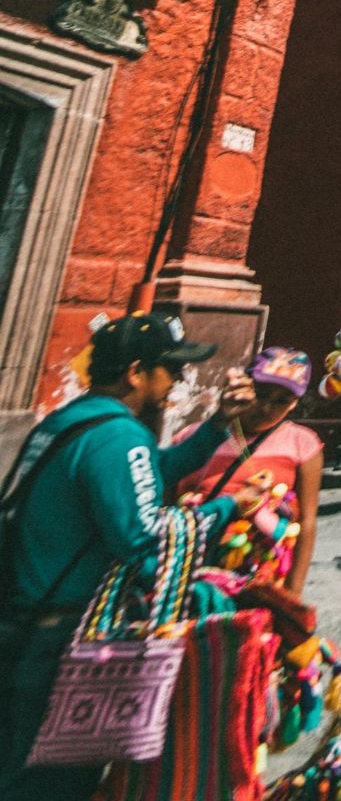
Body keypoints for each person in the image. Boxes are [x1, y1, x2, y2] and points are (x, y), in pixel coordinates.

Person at [1, 313, 258, 800]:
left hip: (26, 617)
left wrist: (219, 424)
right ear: (137, 371)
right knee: (50, 784)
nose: (178, 381)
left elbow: (150, 477)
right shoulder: (120, 438)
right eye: (171, 370)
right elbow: (146, 543)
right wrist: (225, 509)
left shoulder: (74, 420)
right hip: (65, 639)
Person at [173, 347, 324, 595]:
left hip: (263, 576)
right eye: (261, 394)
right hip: (193, 572)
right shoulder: (194, 437)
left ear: (295, 403)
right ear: (245, 386)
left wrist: (293, 592)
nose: (266, 408)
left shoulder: (302, 444)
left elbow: (306, 521)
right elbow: (168, 507)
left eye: (280, 401)